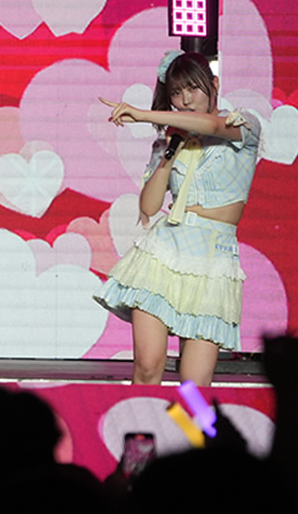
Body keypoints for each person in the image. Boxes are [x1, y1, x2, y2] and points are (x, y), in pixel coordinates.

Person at [94, 50, 261, 386]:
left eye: (193, 89)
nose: (185, 100)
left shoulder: (242, 125)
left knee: (194, 387)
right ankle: (142, 420)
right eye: (176, 93)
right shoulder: (168, 140)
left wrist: (143, 115)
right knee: (148, 367)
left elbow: (212, 125)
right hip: (164, 255)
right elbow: (149, 205)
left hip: (213, 260)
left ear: (215, 85)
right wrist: (169, 153)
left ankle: (182, 423)